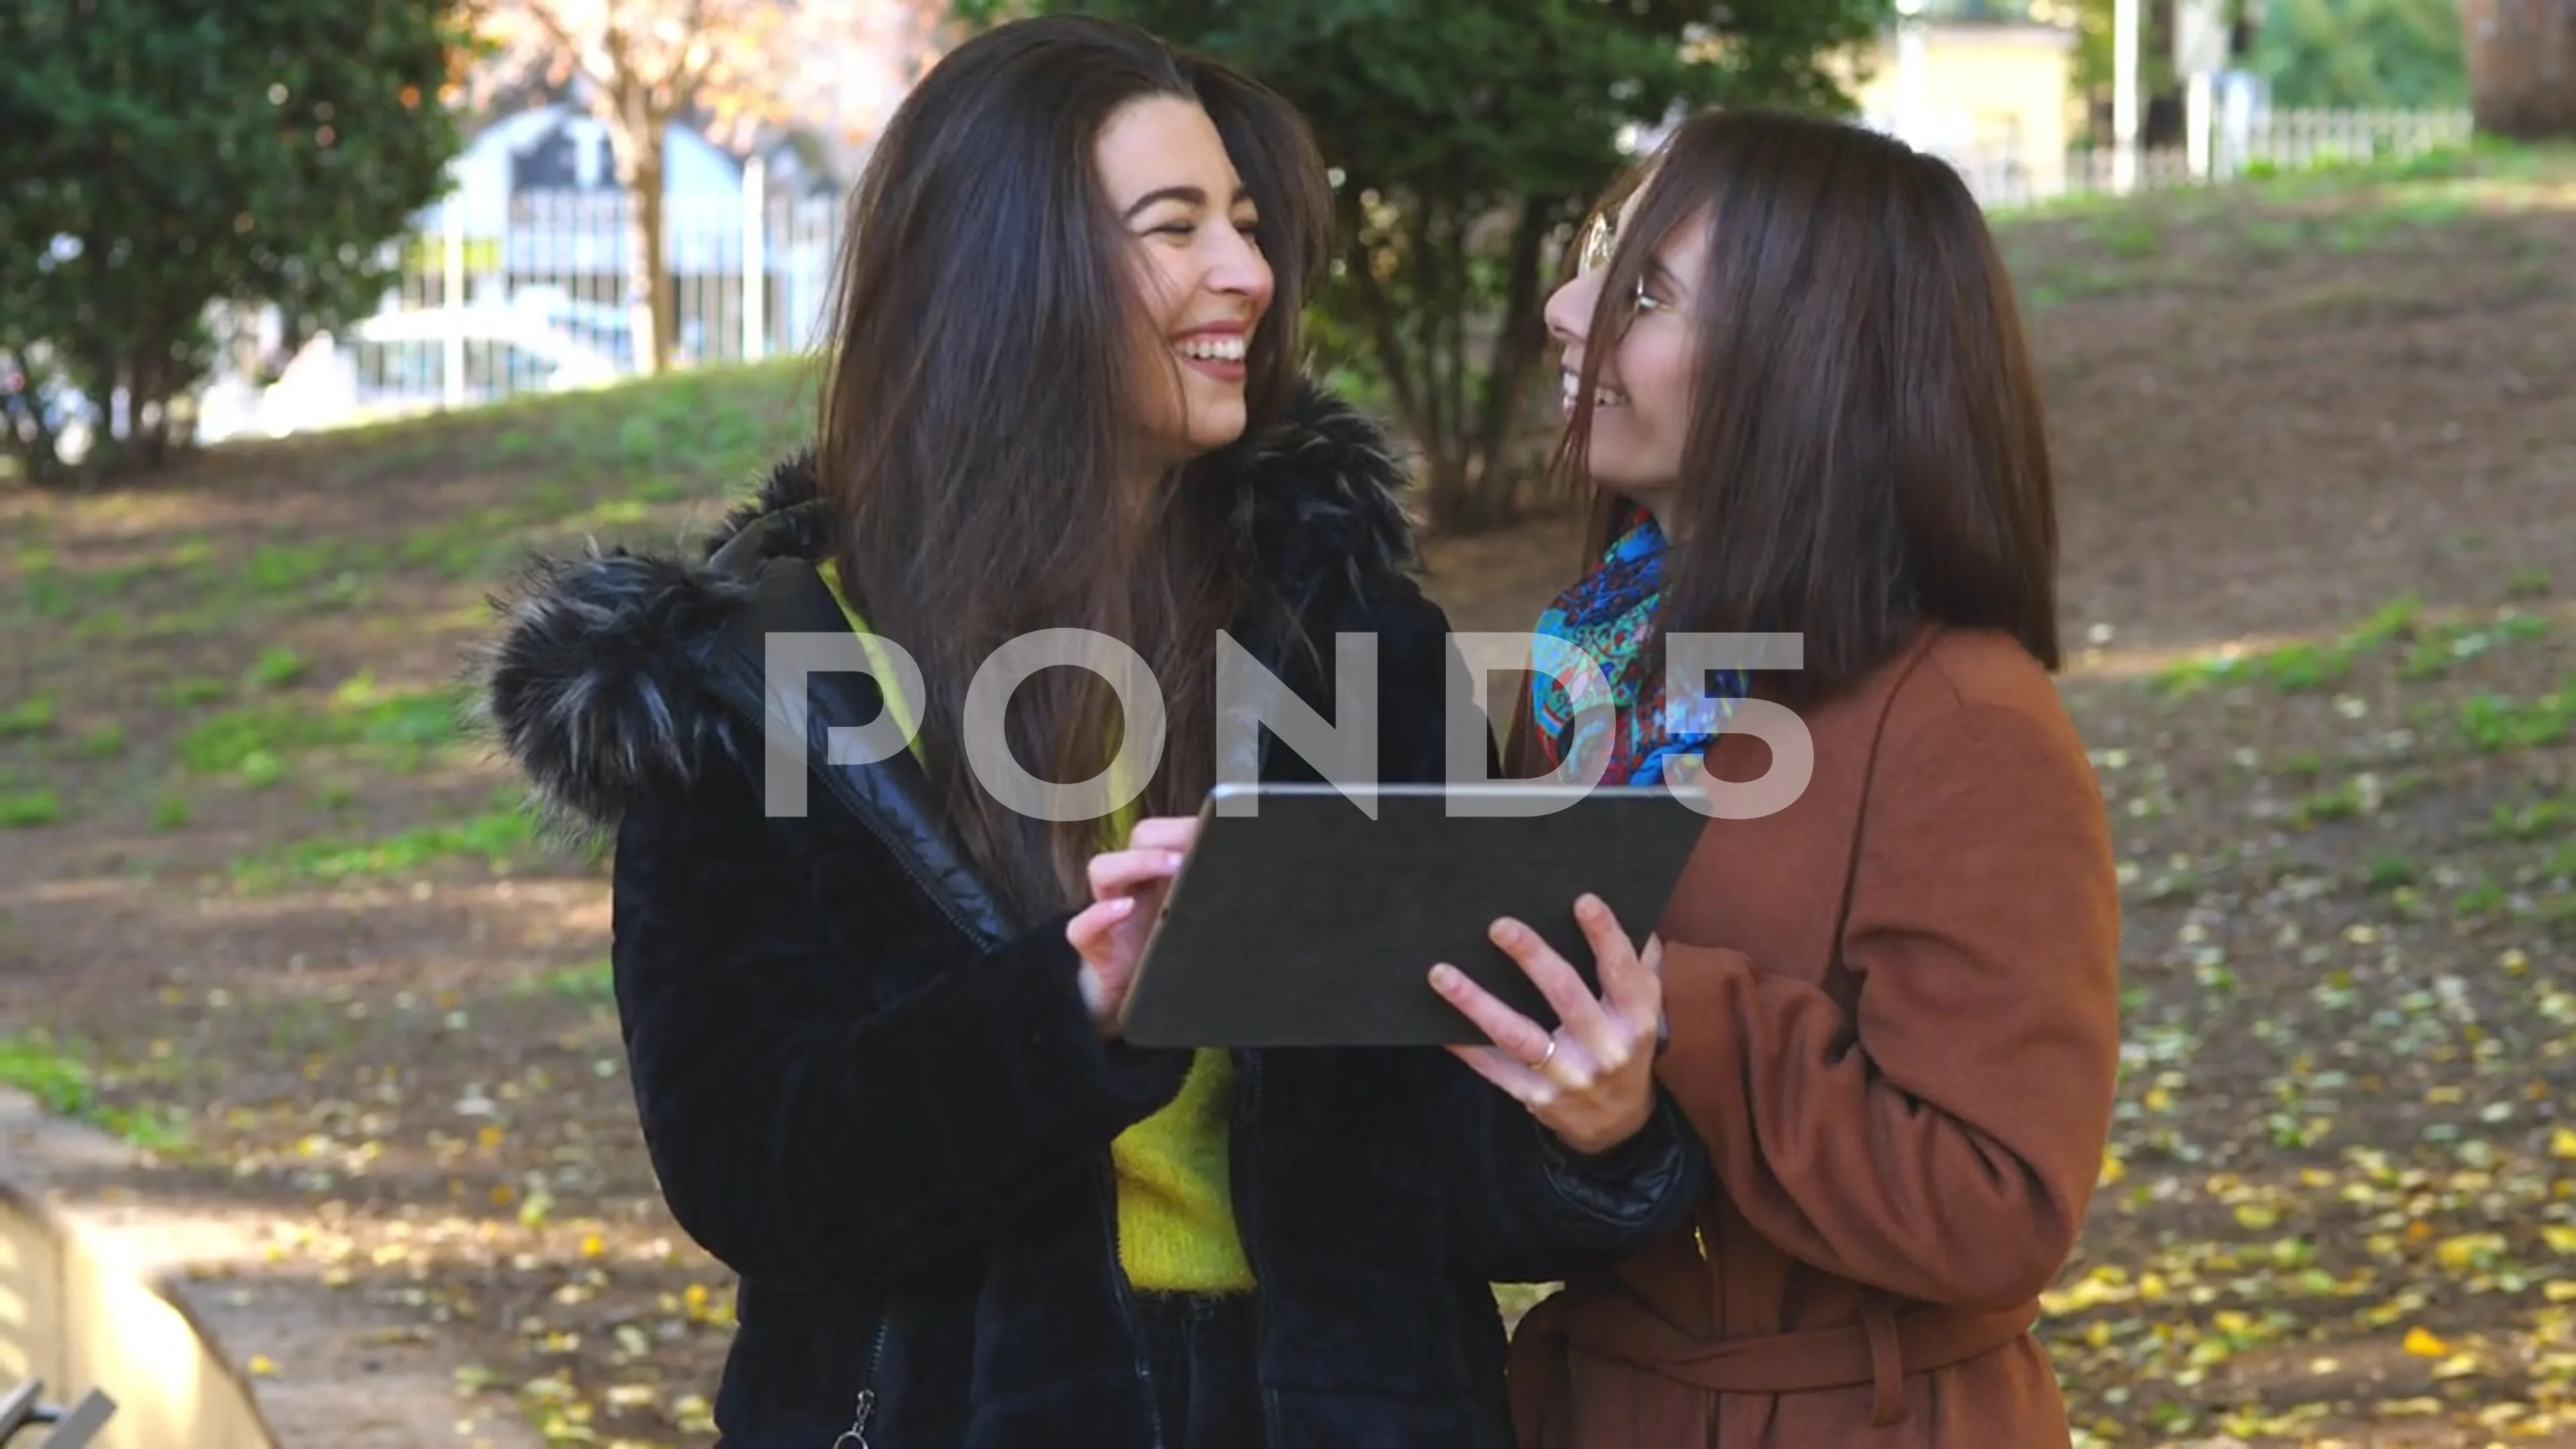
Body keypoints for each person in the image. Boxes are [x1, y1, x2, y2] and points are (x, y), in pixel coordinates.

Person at [477, 16, 1704, 1448]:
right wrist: (1070, 1013)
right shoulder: (759, 682)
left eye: (1244, 224)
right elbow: (757, 1172)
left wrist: (1594, 1125)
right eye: (1173, 226)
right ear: (1008, 275)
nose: (1247, 274)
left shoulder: (1361, 648)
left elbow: (1427, 1174)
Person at [1464, 109, 2124, 1447]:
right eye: (1600, 256)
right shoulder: (1594, 663)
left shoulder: (1964, 719)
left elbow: (1999, 1209)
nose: (1564, 305)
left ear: (1805, 366)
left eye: (1642, 288)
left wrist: (1672, 1013)